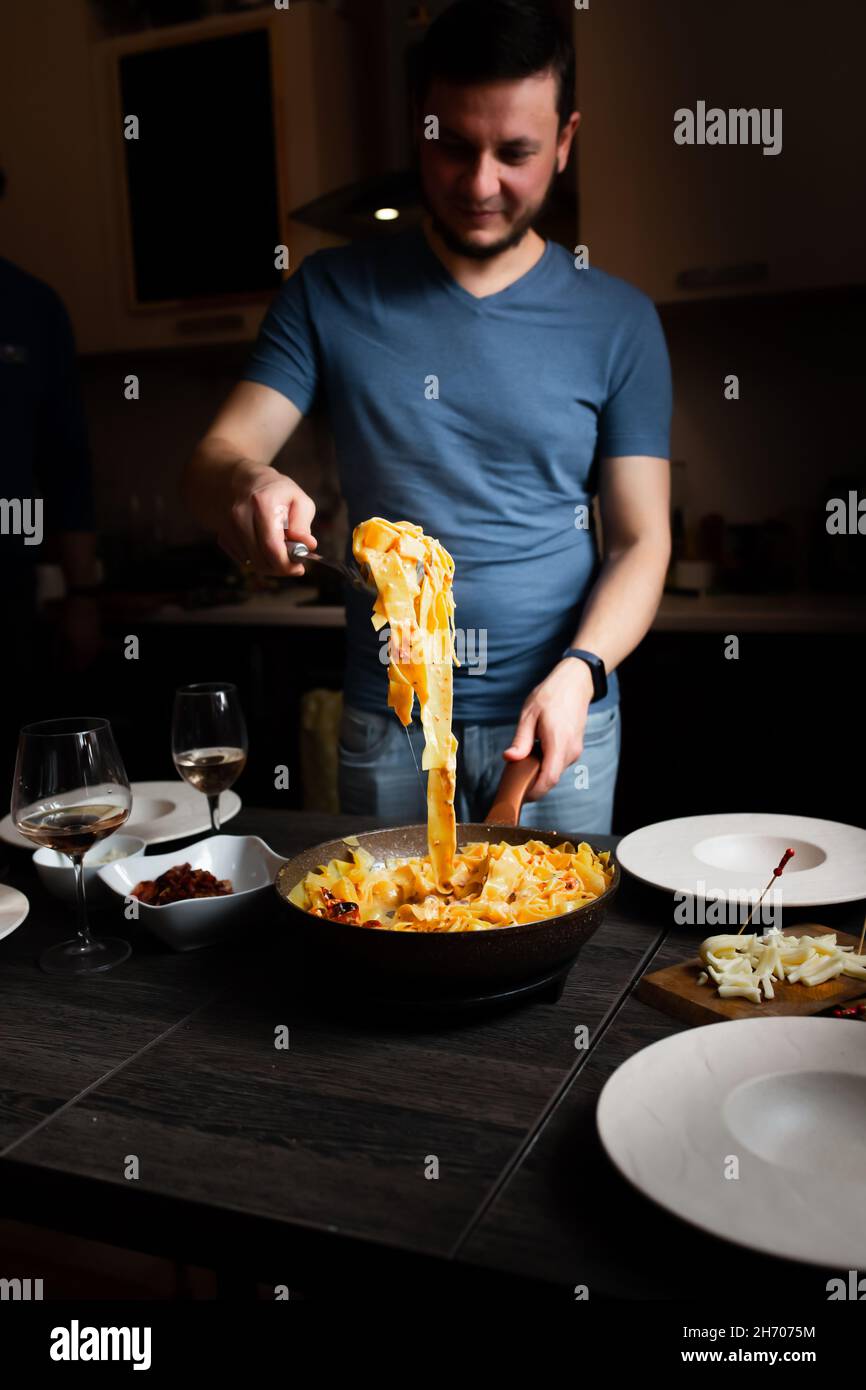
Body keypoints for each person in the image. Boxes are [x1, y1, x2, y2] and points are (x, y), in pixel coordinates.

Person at [183, 0, 672, 834]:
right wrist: (248, 480)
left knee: (566, 951)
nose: (481, 184)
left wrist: (581, 670)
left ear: (565, 139)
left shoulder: (619, 321)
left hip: (563, 719)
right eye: (453, 145)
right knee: (393, 947)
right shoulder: (327, 293)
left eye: (515, 152)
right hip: (389, 728)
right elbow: (218, 455)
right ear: (420, 126)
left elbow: (640, 539)